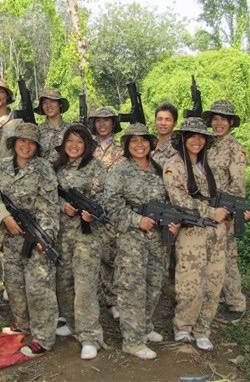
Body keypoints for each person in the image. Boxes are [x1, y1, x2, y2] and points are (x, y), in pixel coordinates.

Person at [102, 123, 171, 360]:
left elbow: (168, 199)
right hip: (132, 238)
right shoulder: (121, 170)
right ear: (127, 145)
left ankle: (145, 326)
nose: (139, 145)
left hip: (157, 238)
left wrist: (171, 220)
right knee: (132, 287)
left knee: (155, 283)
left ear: (151, 143)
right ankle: (132, 341)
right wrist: (136, 220)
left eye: (143, 140)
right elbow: (110, 203)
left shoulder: (158, 168)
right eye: (134, 141)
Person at [163, 117, 230, 351]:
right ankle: (183, 326)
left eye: (201, 137)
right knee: (189, 283)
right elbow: (179, 200)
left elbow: (221, 195)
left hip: (215, 233)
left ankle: (203, 329)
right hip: (191, 232)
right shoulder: (174, 165)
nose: (197, 141)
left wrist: (231, 211)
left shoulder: (207, 164)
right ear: (183, 139)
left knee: (214, 282)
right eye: (191, 136)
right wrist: (211, 212)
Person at [0, 122, 60, 357]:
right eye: (22, 141)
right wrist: (4, 218)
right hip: (10, 236)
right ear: (14, 143)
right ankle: (22, 324)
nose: (26, 146)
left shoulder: (43, 168)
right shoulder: (2, 166)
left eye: (31, 143)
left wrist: (45, 235)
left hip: (35, 234)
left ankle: (43, 338)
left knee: (38, 287)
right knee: (14, 283)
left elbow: (50, 205)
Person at [53, 124, 106, 360]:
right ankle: (73, 323)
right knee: (64, 283)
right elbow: (47, 195)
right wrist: (61, 205)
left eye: (79, 142)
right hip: (61, 235)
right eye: (70, 141)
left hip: (87, 236)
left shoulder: (95, 167)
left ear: (87, 145)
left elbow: (105, 197)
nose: (74, 146)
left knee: (85, 287)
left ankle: (90, 336)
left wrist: (92, 213)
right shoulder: (56, 167)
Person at [202, 100, 250, 322]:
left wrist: (228, 209)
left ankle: (236, 304)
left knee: (228, 256)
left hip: (226, 208)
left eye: (223, 119)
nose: (218, 123)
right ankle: (217, 295)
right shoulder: (208, 144)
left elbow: (238, 185)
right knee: (210, 254)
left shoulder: (234, 148)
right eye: (215, 119)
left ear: (231, 122)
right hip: (208, 209)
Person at [87, 106, 123, 320]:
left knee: (110, 256)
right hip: (88, 207)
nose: (102, 124)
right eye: (98, 121)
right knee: (89, 256)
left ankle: (112, 300)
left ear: (113, 123)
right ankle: (91, 301)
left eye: (107, 120)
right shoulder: (87, 146)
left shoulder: (121, 148)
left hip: (111, 208)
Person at [35, 87, 70, 163]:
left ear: (60, 104)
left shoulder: (70, 129)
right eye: (45, 103)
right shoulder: (37, 131)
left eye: (52, 101)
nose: (49, 105)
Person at [151, 102, 179, 169]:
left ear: (174, 123)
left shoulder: (177, 147)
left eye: (168, 120)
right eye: (160, 119)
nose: (163, 123)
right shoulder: (149, 144)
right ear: (155, 121)